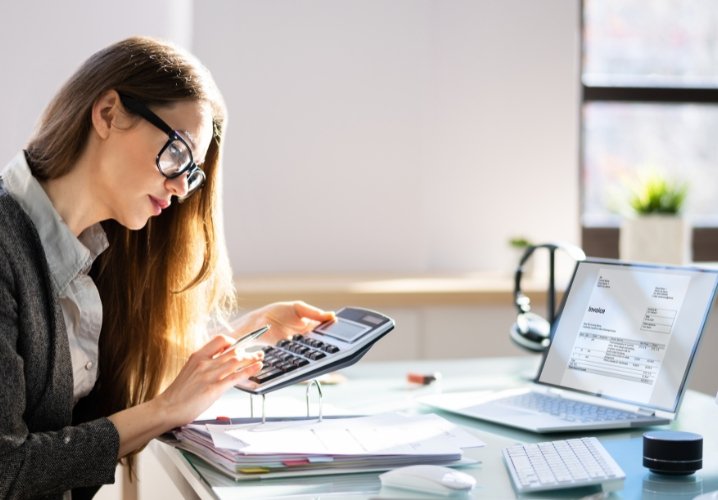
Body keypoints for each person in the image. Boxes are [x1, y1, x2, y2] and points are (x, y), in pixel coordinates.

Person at [0, 36, 334, 499]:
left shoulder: (91, 256)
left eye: (191, 171)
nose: (180, 187)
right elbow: (7, 467)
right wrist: (166, 410)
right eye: (176, 152)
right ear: (108, 113)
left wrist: (243, 338)